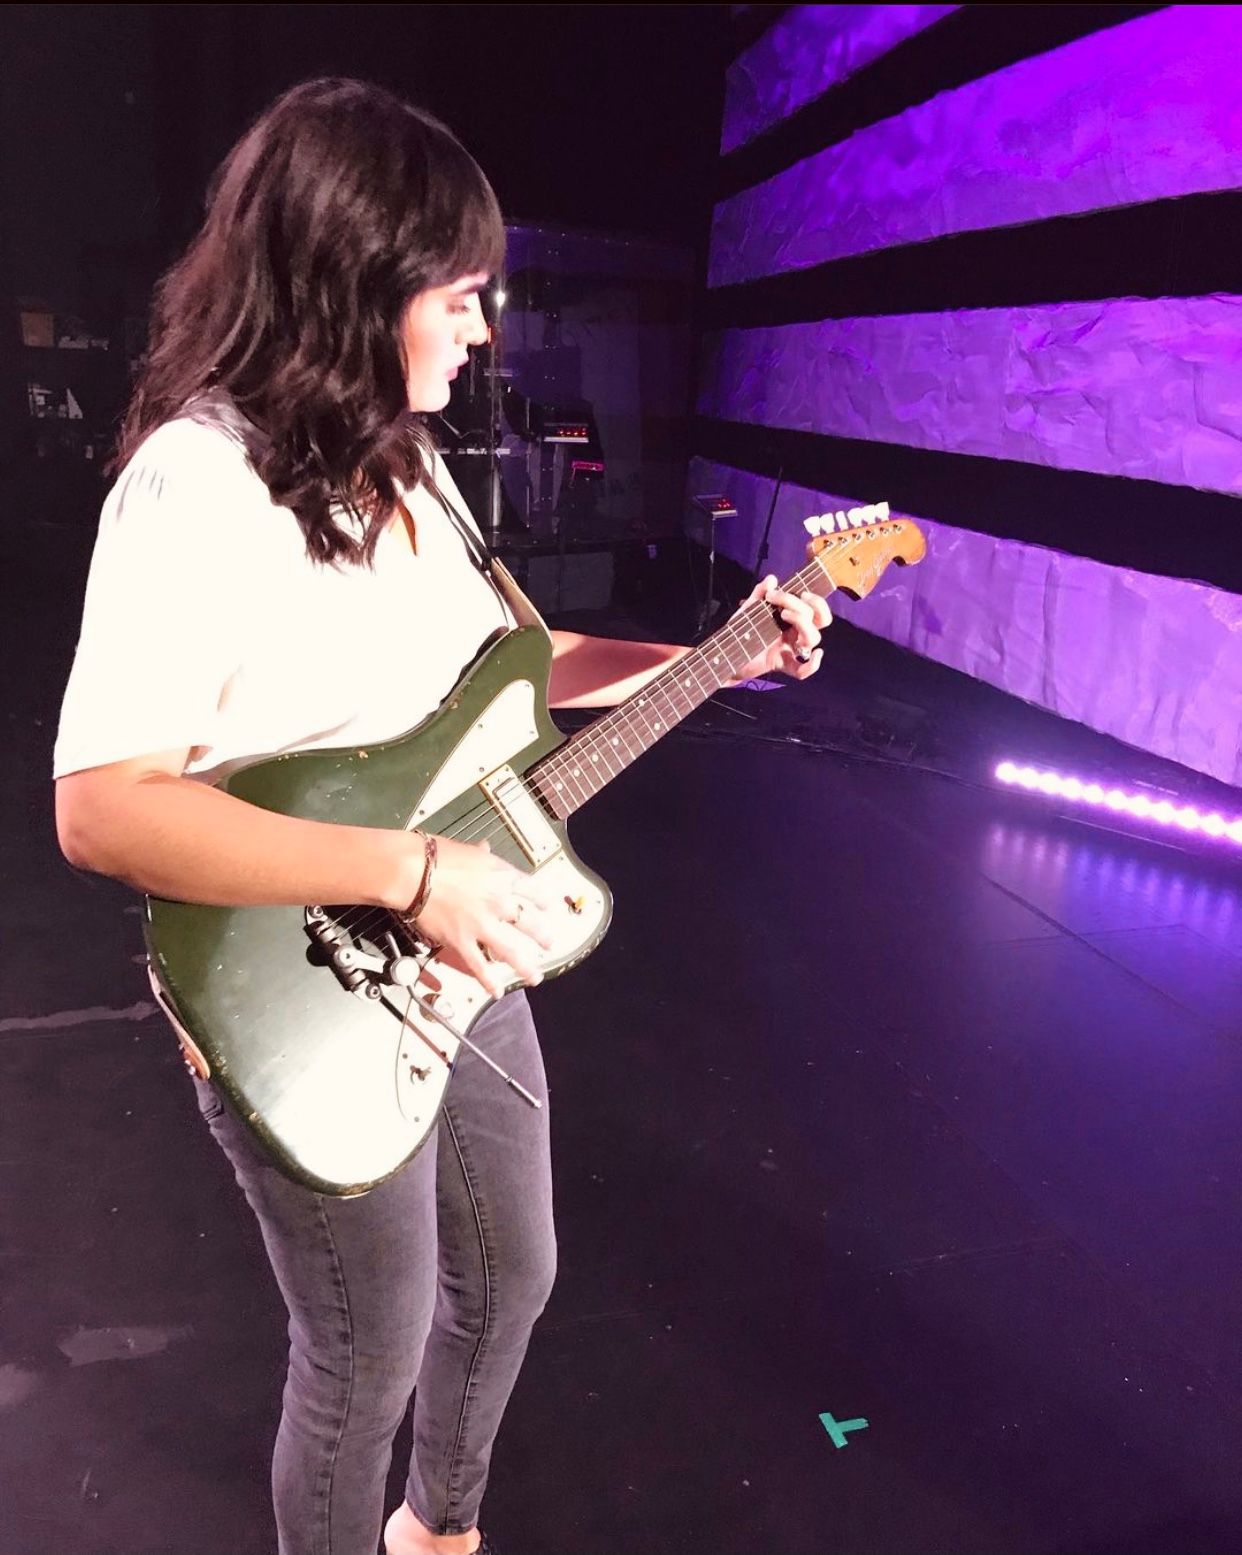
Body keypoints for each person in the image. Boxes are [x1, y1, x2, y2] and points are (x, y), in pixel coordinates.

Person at [53, 78, 830, 1555]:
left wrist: (721, 653)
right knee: (365, 1351)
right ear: (355, 283)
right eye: (459, 294)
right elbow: (103, 810)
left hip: (452, 950)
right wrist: (412, 872)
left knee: (514, 1275)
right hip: (298, 972)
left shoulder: (405, 461)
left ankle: (440, 1531)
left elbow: (518, 671)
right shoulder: (196, 482)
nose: (483, 330)